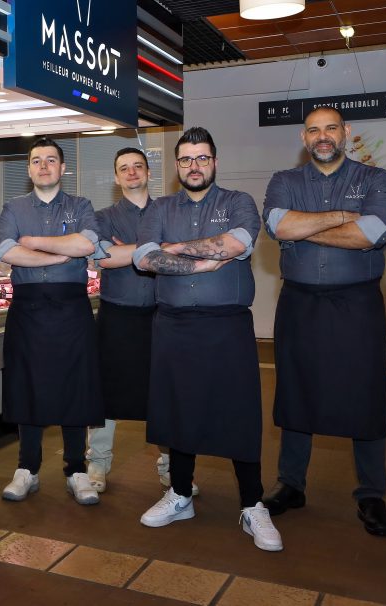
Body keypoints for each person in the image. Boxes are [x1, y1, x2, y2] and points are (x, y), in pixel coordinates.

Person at [132, 127, 282, 551]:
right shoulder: (159, 207)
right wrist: (201, 263)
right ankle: (180, 494)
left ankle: (253, 504)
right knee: (178, 413)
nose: (193, 166)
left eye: (201, 158)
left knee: (238, 413)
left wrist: (174, 249)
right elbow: (145, 258)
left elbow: (236, 243)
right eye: (185, 159)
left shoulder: (238, 202)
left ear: (214, 162)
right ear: (177, 165)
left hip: (226, 327)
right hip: (173, 326)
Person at [261, 106, 386, 537]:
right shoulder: (284, 181)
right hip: (299, 305)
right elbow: (277, 226)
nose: (323, 136)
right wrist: (342, 217)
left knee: (367, 395)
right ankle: (291, 484)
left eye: (331, 129)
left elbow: (372, 233)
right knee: (297, 393)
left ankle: (372, 494)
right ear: (304, 138)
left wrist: (300, 227)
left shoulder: (376, 179)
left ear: (346, 132)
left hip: (358, 307)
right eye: (314, 130)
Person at [0, 137, 102, 506]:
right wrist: (61, 253)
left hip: (72, 308)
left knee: (76, 387)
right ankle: (28, 468)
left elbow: (87, 245)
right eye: (36, 161)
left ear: (62, 167)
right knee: (28, 386)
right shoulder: (13, 207)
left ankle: (77, 470)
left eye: (51, 160)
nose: (43, 166)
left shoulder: (81, 205)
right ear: (28, 169)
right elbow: (5, 251)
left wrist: (33, 244)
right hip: (28, 308)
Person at [86, 148, 198, 496]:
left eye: (137, 166)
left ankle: (170, 467)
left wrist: (131, 251)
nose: (131, 172)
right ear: (116, 178)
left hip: (161, 315)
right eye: (124, 168)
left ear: (149, 172)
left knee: (164, 391)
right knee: (105, 391)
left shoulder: (169, 210)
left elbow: (186, 251)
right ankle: (98, 462)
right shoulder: (102, 216)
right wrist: (157, 248)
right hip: (116, 314)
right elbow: (101, 257)